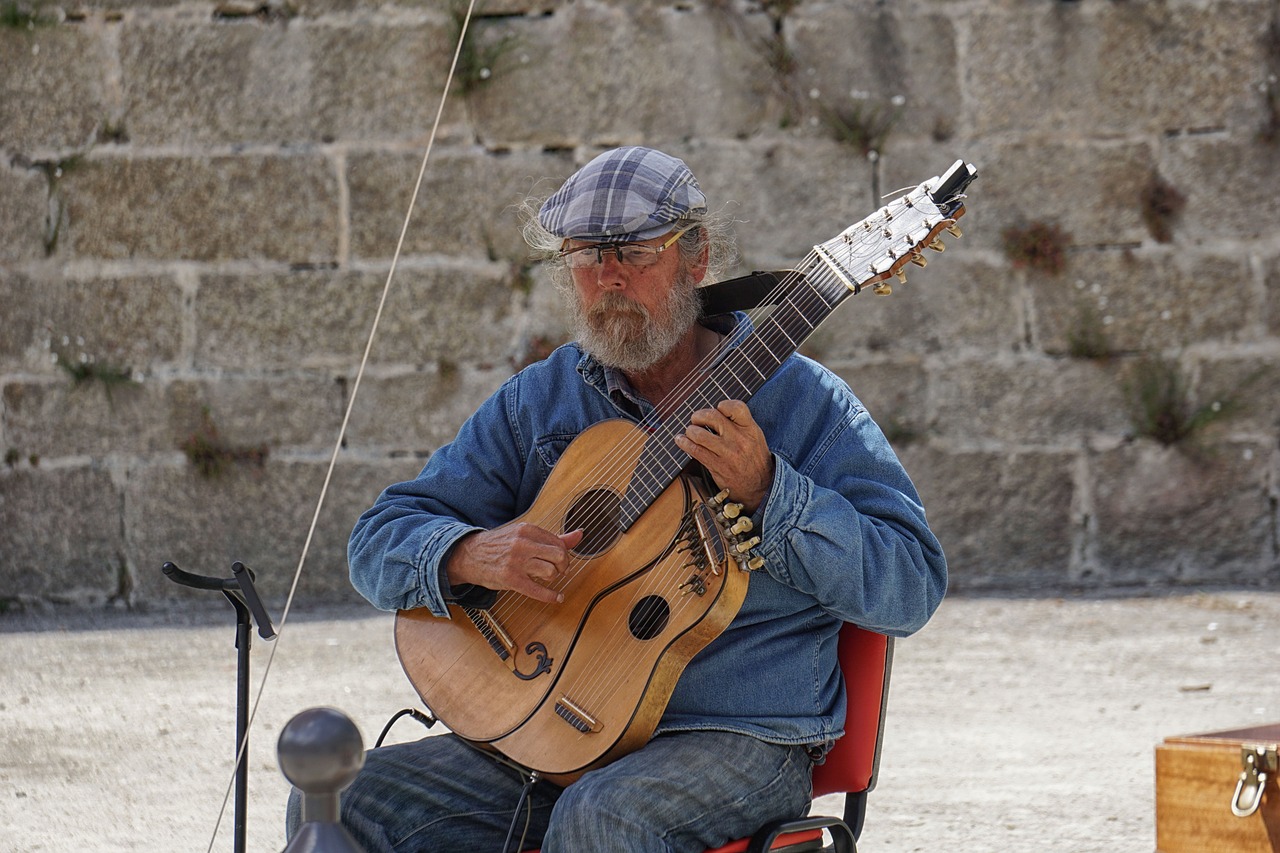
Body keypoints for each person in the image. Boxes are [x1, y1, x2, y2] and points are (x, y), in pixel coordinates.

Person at [289, 146, 947, 852]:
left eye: (634, 251)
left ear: (696, 258)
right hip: (549, 722)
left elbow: (910, 586)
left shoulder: (808, 403)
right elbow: (376, 540)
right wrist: (470, 553)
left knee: (601, 817)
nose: (608, 278)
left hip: (735, 736)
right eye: (584, 255)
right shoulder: (543, 400)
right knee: (339, 797)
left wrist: (770, 490)